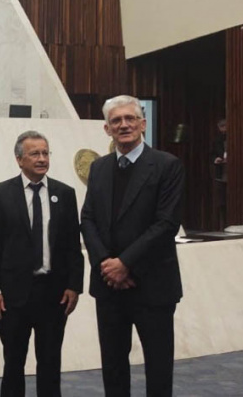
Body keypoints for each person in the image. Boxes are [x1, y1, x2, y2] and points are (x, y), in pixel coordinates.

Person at [80, 95, 184, 397]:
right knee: (112, 365)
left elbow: (166, 224)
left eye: (130, 119)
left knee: (159, 367)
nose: (123, 125)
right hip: (108, 285)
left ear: (143, 124)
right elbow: (88, 219)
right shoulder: (98, 168)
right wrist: (106, 264)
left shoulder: (167, 166)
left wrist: (124, 264)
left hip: (152, 283)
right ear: (107, 129)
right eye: (116, 121)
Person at [0, 130, 84, 397]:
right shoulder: (2, 193)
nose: (42, 159)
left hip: (53, 295)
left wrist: (74, 286)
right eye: (34, 154)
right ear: (19, 159)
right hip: (13, 295)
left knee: (51, 362)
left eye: (45, 153)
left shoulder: (65, 193)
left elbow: (73, 245)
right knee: (13, 362)